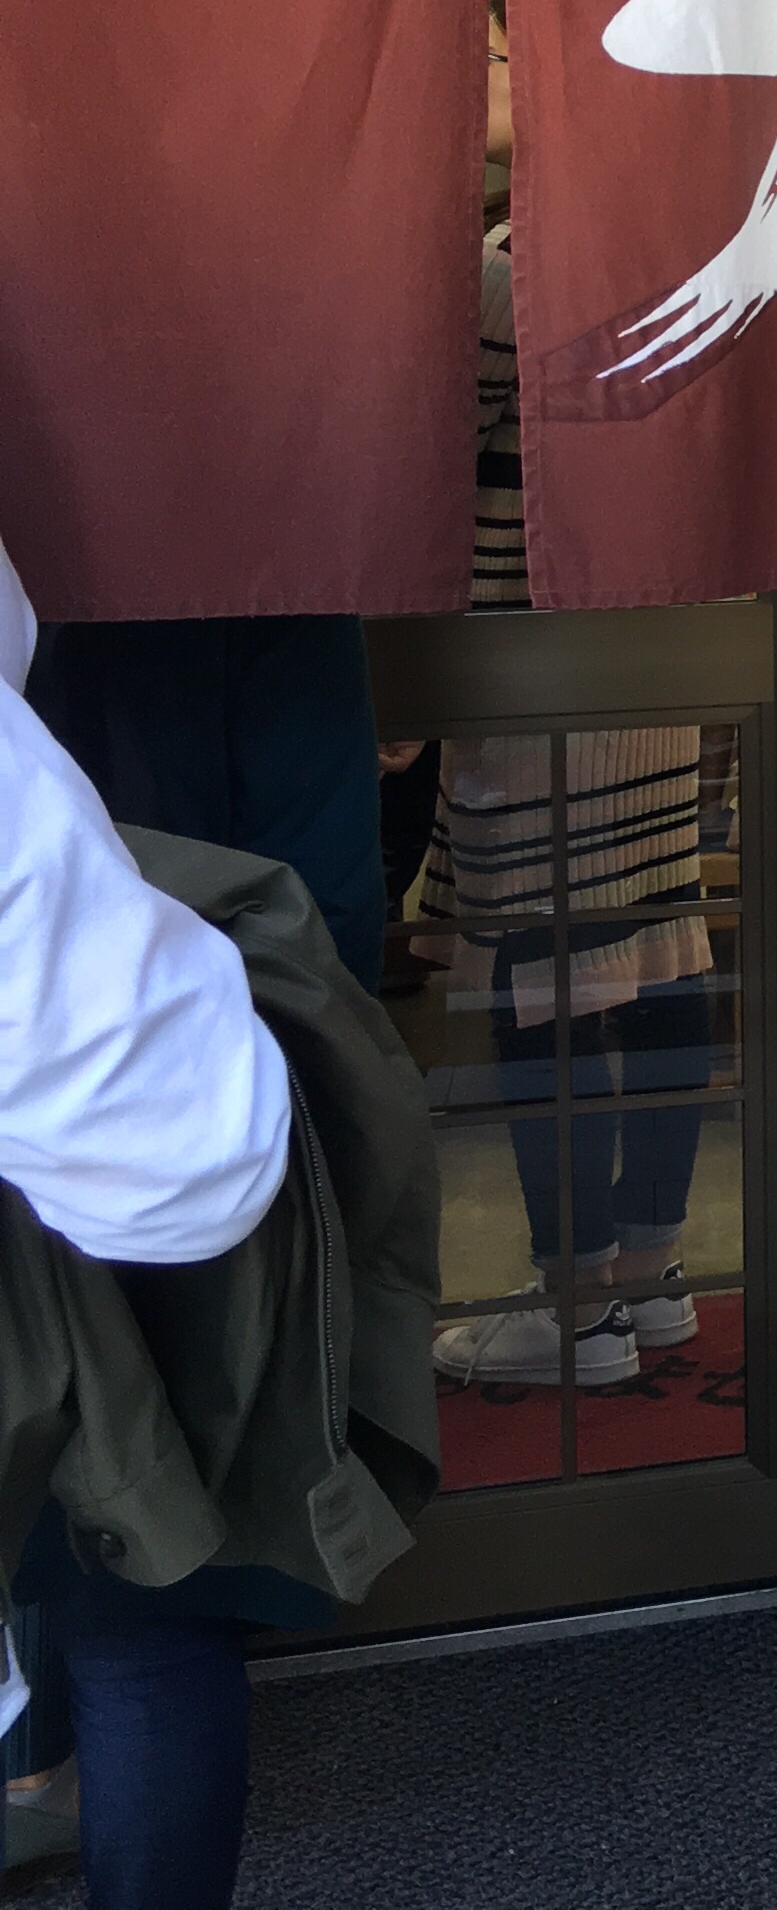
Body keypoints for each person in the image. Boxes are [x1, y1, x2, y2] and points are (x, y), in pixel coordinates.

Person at [0, 535, 303, 1910]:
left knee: (133, 1607)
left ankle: (36, 1765)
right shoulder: (262, 538)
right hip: (155, 1113)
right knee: (150, 1594)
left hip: (129, 1103)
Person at [427, 0, 720, 1392]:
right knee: (661, 959)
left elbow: (416, 462)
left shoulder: (506, 269)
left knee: (538, 986)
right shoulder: (664, 242)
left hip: (535, 676)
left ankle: (576, 1306)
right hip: (661, 663)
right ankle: (649, 1281)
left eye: (489, 49)